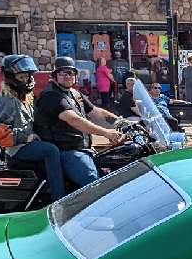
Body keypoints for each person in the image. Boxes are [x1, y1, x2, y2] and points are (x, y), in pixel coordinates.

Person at [34, 56, 125, 189]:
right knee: (95, 185)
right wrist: (106, 132)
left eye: (71, 72)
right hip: (67, 151)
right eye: (62, 72)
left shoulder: (74, 94)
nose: (67, 76)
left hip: (83, 148)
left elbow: (96, 112)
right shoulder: (52, 95)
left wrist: (122, 123)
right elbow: (74, 120)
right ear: (55, 76)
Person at [0, 54, 65, 201]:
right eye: (21, 77)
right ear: (11, 77)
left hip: (27, 142)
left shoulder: (23, 95)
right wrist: (25, 137)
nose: (26, 80)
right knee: (51, 151)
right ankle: (59, 198)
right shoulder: (6, 100)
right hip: (17, 148)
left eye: (27, 76)